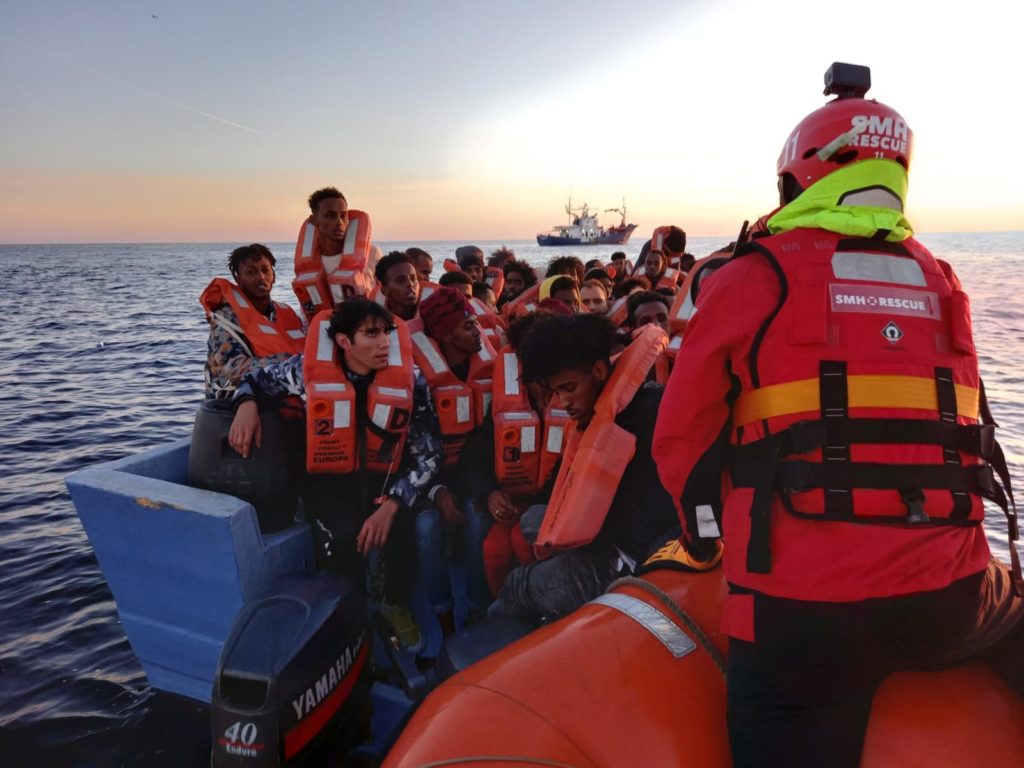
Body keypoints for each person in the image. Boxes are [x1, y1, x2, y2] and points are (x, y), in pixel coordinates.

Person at [650, 64, 1023, 768]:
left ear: (795, 182)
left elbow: (681, 441)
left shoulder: (749, 277)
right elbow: (971, 427)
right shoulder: (942, 280)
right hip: (947, 599)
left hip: (799, 617)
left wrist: (703, 538)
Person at [229, 298, 443, 650]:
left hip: (387, 481)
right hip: (330, 480)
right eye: (370, 334)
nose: (383, 342)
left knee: (402, 535)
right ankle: (349, 616)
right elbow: (254, 380)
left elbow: (429, 456)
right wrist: (246, 406)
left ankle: (394, 603)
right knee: (343, 543)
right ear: (344, 342)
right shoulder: (305, 371)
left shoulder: (411, 381)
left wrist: (391, 505)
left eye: (386, 332)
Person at [489, 314, 678, 624]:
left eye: (568, 388)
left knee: (517, 586)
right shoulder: (601, 417)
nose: (563, 401)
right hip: (607, 537)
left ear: (600, 371)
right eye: (556, 392)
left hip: (630, 557)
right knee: (532, 519)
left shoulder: (657, 411)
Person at [410, 288, 495, 631]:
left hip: (476, 478)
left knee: (478, 521)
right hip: (430, 481)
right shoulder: (419, 381)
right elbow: (412, 450)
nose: (477, 331)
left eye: (476, 323)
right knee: (427, 526)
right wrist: (437, 491)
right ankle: (442, 612)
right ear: (444, 334)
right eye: (467, 326)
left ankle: (476, 609)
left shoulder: (492, 373)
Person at [201, 244, 305, 400]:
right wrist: (295, 363)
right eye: (251, 272)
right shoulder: (227, 317)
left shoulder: (286, 313)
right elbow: (233, 369)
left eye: (265, 270)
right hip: (231, 403)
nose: (261, 277)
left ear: (274, 276)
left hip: (280, 395)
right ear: (238, 279)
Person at [374, 250, 420, 321]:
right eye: (400, 281)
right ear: (385, 290)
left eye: (413, 279)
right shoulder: (373, 322)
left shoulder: (434, 315)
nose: (410, 284)